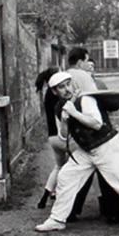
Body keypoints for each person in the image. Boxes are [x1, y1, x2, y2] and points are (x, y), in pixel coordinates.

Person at [35, 71, 119, 236]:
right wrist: (65, 119)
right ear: (54, 92)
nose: (66, 89)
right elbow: (63, 137)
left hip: (107, 146)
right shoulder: (60, 107)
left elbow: (96, 124)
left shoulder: (86, 98)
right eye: (61, 87)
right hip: (86, 151)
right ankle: (57, 219)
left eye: (68, 84)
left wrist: (74, 113)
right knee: (66, 176)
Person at [66, 47, 119, 222]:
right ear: (81, 61)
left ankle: (71, 210)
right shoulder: (85, 78)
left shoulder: (65, 77)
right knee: (107, 171)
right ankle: (112, 212)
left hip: (77, 132)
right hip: (95, 130)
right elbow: (98, 101)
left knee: (82, 173)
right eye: (87, 62)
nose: (89, 66)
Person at [34, 67, 67, 210]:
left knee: (59, 167)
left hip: (52, 137)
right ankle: (62, 196)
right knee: (74, 167)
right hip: (62, 135)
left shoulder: (48, 95)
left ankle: (45, 197)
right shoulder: (56, 95)